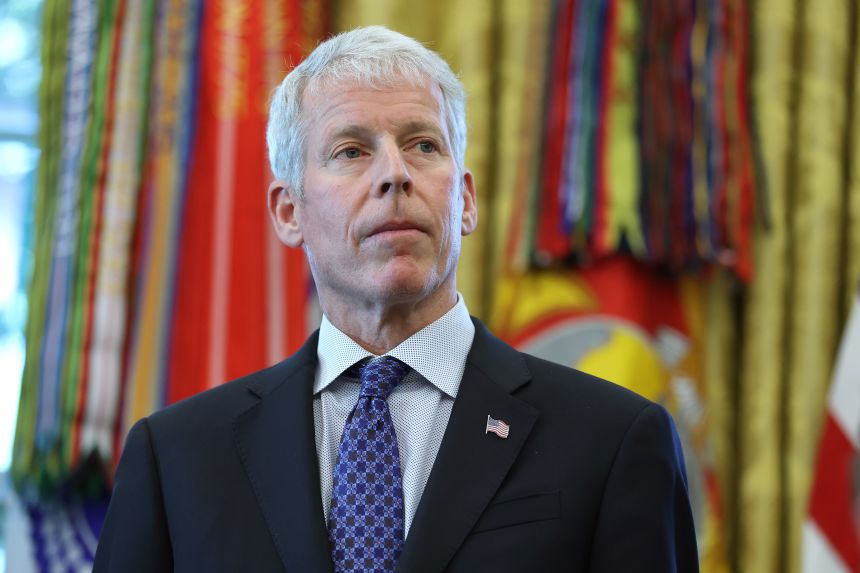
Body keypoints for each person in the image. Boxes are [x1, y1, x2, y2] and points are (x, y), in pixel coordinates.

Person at [94, 26, 698, 572]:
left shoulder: (615, 438)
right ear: (288, 211)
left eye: (423, 146)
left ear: (463, 201)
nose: (394, 174)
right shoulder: (175, 457)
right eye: (351, 151)